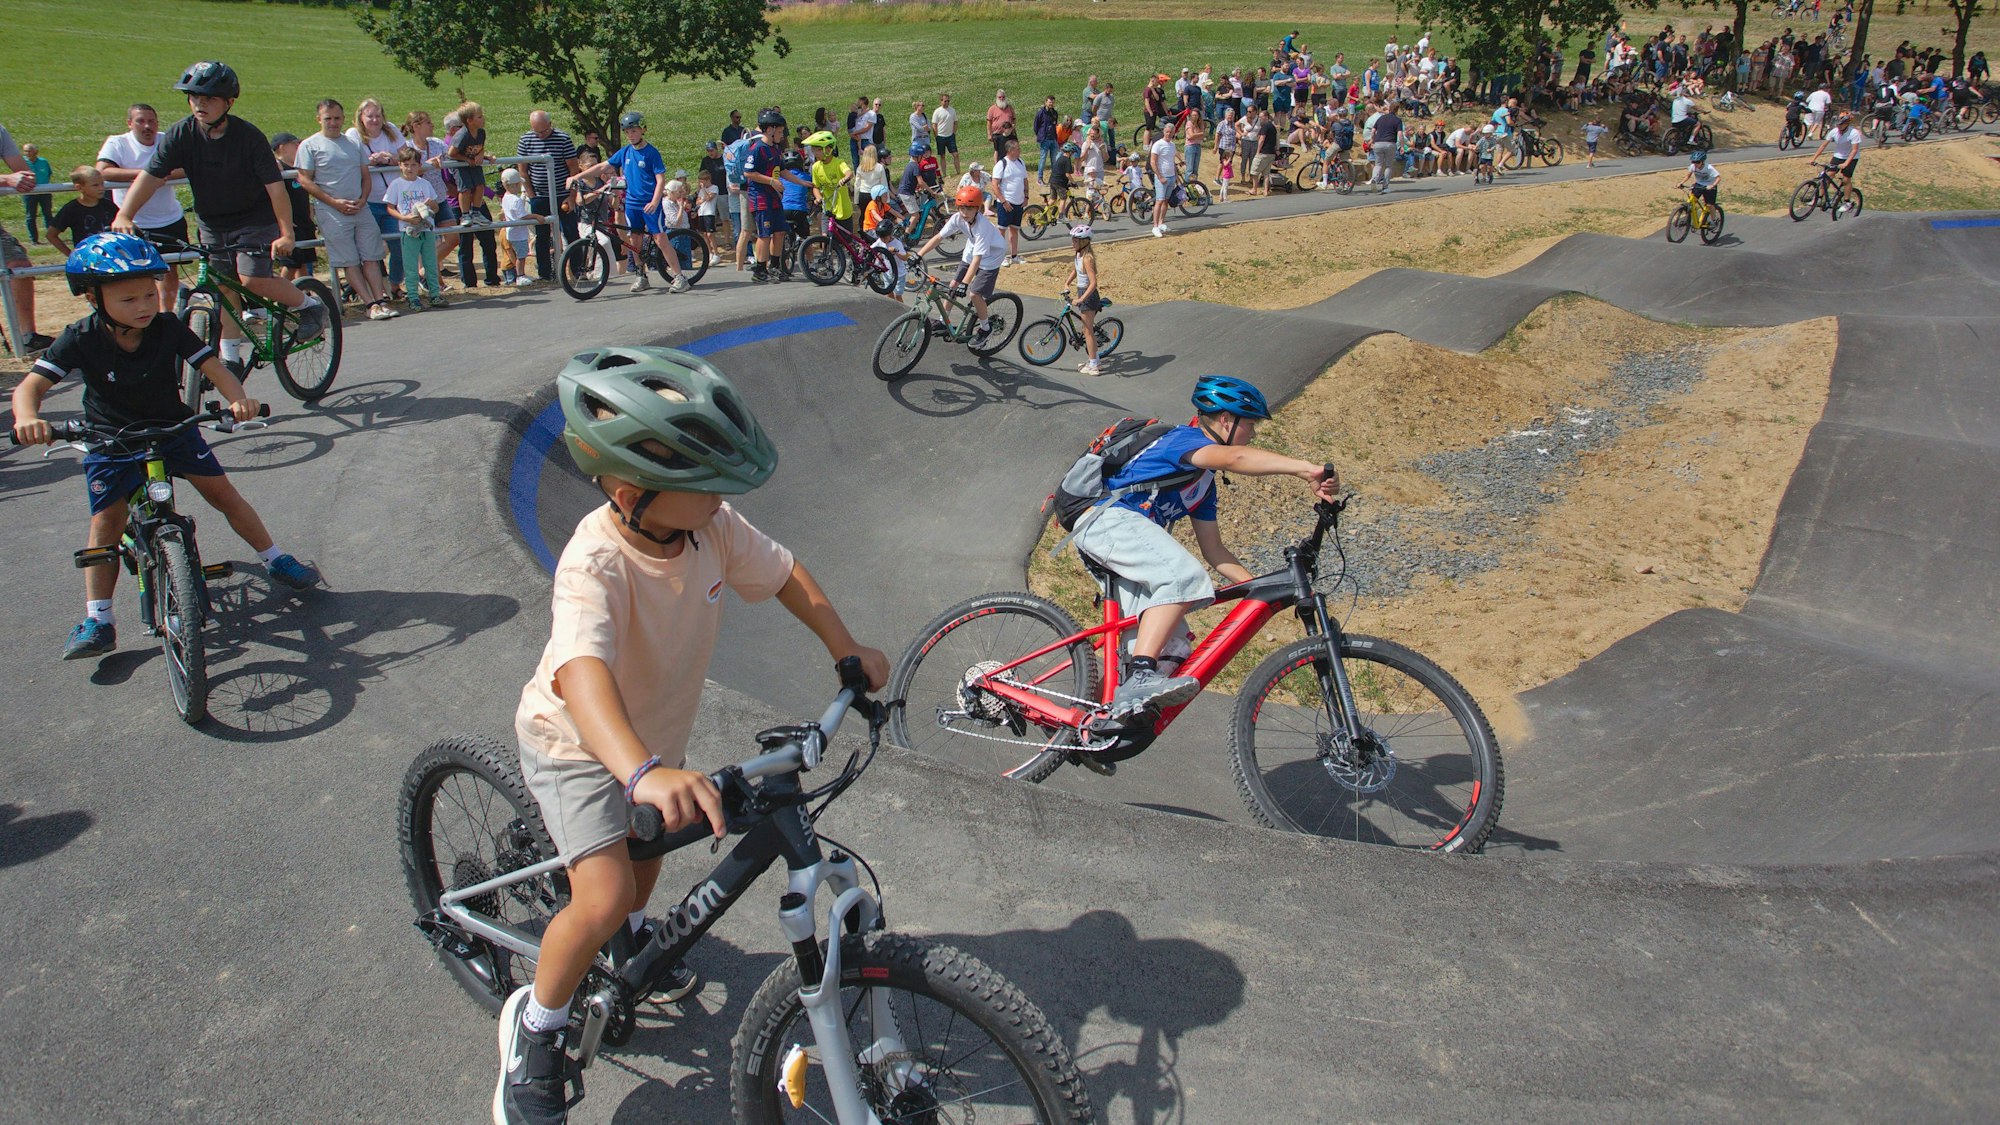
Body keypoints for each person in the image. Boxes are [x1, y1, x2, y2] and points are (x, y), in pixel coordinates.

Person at [497, 347, 887, 1125]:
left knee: (639, 881)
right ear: (632, 489)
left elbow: (784, 574)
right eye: (705, 485)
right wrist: (640, 772)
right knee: (604, 892)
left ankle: (623, 952)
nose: (721, 500)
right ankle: (534, 1033)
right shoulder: (594, 561)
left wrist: (843, 645)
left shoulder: (707, 526)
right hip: (579, 741)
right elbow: (581, 674)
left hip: (650, 745)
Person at [10, 233, 320, 661]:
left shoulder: (168, 327)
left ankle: (275, 558)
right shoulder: (79, 336)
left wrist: (237, 398)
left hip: (173, 429)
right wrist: (28, 418)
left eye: (148, 295)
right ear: (93, 298)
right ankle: (98, 619)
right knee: (107, 523)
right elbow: (31, 388)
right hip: (111, 439)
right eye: (127, 300)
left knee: (223, 495)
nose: (142, 307)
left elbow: (212, 366)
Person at [1067, 376, 1339, 719]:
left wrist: (1263, 588)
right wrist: (1304, 469)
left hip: (1124, 538)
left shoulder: (1203, 485)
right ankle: (1139, 676)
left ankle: (1090, 723)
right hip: (1104, 520)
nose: (1253, 433)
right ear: (1226, 420)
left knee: (1172, 647)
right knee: (1182, 577)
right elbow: (1236, 456)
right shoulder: (1182, 440)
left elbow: (1215, 551)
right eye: (1250, 424)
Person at [111, 62, 329, 370]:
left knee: (252, 279)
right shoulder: (180, 134)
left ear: (229, 102)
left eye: (209, 97)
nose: (200, 103)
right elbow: (150, 176)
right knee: (222, 287)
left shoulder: (248, 137)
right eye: (194, 97)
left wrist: (287, 233)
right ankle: (230, 357)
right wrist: (125, 213)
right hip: (213, 222)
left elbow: (275, 188)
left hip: (255, 219)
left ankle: (310, 306)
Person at [295, 98, 397, 322]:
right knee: (349, 259)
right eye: (328, 118)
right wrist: (333, 202)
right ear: (319, 119)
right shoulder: (309, 146)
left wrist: (362, 199)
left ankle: (380, 301)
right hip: (331, 211)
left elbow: (365, 174)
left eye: (337, 118)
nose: (333, 123)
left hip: (360, 207)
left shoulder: (353, 143)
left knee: (371, 255)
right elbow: (305, 179)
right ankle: (369, 303)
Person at [571, 111, 689, 294]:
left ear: (642, 130)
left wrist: (655, 200)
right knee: (635, 240)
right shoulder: (625, 152)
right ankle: (641, 276)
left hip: (649, 203)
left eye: (634, 131)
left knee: (659, 238)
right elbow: (603, 166)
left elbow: (660, 179)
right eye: (628, 132)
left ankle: (680, 277)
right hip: (633, 203)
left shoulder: (651, 153)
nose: (631, 135)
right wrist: (578, 176)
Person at [97, 104, 188, 311]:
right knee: (136, 273)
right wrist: (148, 174)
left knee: (169, 270)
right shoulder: (117, 143)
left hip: (168, 218)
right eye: (141, 121)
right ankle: (142, 313)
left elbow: (187, 167)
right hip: (133, 223)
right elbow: (103, 171)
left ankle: (166, 314)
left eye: (152, 121)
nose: (147, 126)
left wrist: (163, 174)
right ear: (130, 123)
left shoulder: (167, 140)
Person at [910, 185, 1007, 348]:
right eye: (961, 207)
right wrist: (918, 255)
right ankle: (944, 322)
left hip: (991, 257)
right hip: (972, 249)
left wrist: (966, 283)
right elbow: (938, 237)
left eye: (969, 208)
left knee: (974, 294)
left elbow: (978, 260)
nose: (964, 212)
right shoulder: (957, 218)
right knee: (952, 286)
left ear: (978, 208)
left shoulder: (983, 227)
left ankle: (985, 328)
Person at [350, 98, 408, 298]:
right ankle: (373, 290)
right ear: (361, 118)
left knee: (399, 244)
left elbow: (406, 155)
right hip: (368, 199)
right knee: (370, 249)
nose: (374, 120)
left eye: (378, 115)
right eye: (370, 116)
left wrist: (391, 159)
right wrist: (369, 161)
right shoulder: (353, 135)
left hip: (391, 199)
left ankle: (393, 285)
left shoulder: (390, 130)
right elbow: (349, 161)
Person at [518, 111, 581, 283]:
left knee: (571, 232)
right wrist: (531, 195)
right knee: (542, 235)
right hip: (539, 195)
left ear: (550, 124)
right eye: (537, 132)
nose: (540, 135)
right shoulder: (526, 140)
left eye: (544, 131)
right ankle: (545, 274)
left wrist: (571, 195)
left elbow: (573, 169)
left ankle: (578, 271)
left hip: (562, 194)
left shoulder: (563, 139)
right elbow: (522, 170)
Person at [383, 146, 446, 311]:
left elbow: (435, 206)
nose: (410, 168)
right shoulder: (396, 185)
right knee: (410, 265)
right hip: (408, 230)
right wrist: (404, 218)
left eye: (413, 165)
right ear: (400, 165)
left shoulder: (424, 184)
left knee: (431, 263)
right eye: (406, 164)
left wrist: (431, 206)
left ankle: (435, 294)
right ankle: (413, 297)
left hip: (426, 229)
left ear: (419, 166)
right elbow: (390, 207)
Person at [739, 109, 791, 284]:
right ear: (770, 130)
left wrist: (804, 183)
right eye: (780, 131)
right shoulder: (757, 149)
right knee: (764, 234)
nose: (782, 135)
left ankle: (775, 266)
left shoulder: (775, 150)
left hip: (774, 197)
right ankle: (760, 269)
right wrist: (771, 181)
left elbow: (783, 170)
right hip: (760, 197)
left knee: (780, 231)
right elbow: (748, 173)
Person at [268, 132, 318, 282]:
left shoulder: (299, 169)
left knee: (304, 262)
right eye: (295, 144)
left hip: (304, 222)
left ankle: (305, 293)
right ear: (282, 148)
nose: (299, 147)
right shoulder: (278, 168)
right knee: (291, 264)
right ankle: (282, 298)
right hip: (291, 224)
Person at [46, 167, 119, 256]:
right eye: (95, 185)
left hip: (112, 256)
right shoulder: (71, 209)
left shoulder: (109, 205)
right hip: (87, 258)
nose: (101, 188)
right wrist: (71, 255)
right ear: (80, 187)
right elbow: (51, 235)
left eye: (102, 184)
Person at [1809, 112, 1863, 214]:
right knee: (1828, 176)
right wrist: (1814, 158)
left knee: (1846, 179)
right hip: (1838, 156)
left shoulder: (1853, 133)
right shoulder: (1834, 131)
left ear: (1847, 124)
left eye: (1841, 124)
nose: (1838, 126)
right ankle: (1819, 198)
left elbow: (1854, 150)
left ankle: (1847, 202)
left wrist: (1846, 163)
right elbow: (1823, 146)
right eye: (1838, 124)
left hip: (1851, 157)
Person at [1069, 223, 1105, 376]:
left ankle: (1093, 366)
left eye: (1076, 241)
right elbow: (1075, 270)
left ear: (1084, 242)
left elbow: (1093, 282)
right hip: (1082, 292)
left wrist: (1081, 298)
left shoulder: (1087, 259)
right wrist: (1067, 282)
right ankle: (1095, 359)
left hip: (1088, 295)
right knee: (1087, 329)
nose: (1073, 243)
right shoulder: (1078, 255)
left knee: (1087, 331)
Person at [805, 131, 855, 233]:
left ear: (827, 149)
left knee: (845, 241)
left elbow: (849, 173)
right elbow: (815, 186)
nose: (815, 154)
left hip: (842, 210)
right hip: (827, 209)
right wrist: (818, 197)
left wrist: (845, 179)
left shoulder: (838, 163)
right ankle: (826, 249)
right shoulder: (816, 167)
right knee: (825, 238)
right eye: (813, 151)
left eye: (817, 150)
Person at [991, 137, 1029, 264]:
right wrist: (1003, 201)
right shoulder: (1001, 164)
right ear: (1010, 150)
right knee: (1002, 230)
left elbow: (1025, 180)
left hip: (1018, 202)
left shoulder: (1021, 162)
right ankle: (1000, 256)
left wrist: (1026, 196)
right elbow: (995, 185)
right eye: (1017, 149)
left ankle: (1014, 256)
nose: (1020, 151)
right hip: (1006, 202)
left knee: (1014, 229)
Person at [498, 167, 536, 287]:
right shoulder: (516, 200)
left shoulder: (505, 197)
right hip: (519, 233)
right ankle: (520, 276)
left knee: (517, 254)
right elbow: (523, 216)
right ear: (515, 184)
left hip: (511, 231)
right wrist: (537, 216)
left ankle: (520, 275)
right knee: (521, 256)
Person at [18, 142, 54, 244]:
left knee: (48, 214)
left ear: (36, 152)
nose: (27, 153)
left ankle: (51, 236)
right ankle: (34, 239)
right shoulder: (22, 163)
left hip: (45, 191)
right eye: (25, 151)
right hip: (29, 192)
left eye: (30, 151)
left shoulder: (43, 162)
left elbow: (48, 174)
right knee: (30, 216)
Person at [1147, 127, 1178, 238]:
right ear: (1164, 132)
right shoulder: (1158, 144)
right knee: (1159, 201)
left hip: (1171, 176)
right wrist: (1159, 176)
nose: (1168, 134)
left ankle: (1161, 222)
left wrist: (1175, 176)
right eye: (1167, 132)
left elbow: (1172, 161)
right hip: (1162, 177)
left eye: (1171, 132)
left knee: (1166, 200)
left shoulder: (1172, 145)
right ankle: (1155, 226)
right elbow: (1153, 161)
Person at [1369, 102, 1401, 193]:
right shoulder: (1397, 120)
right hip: (1390, 143)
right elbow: (1400, 134)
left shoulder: (1380, 118)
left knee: (1378, 164)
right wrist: (1401, 145)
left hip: (1378, 143)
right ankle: (1385, 187)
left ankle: (1374, 179)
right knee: (1388, 165)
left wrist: (1372, 140)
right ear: (1397, 110)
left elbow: (1373, 131)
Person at [1678, 148, 1721, 216]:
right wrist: (1681, 183)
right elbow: (1688, 176)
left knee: (1709, 205)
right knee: (1691, 202)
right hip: (1699, 185)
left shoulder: (1709, 168)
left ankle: (1714, 220)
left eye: (1698, 162)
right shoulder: (1693, 167)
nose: (1695, 164)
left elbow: (1718, 178)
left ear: (1702, 162)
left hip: (1709, 186)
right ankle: (1687, 218)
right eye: (1693, 162)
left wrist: (1712, 185)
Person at [931, 92, 960, 176]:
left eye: (948, 101)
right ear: (941, 101)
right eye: (945, 101)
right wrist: (936, 135)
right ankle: (944, 174)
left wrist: (953, 132)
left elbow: (955, 122)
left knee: (955, 154)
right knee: (942, 156)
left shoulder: (952, 110)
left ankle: (958, 172)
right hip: (941, 136)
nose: (946, 102)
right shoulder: (937, 111)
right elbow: (934, 124)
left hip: (950, 136)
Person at [1033, 95, 1061, 182]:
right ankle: (1040, 178)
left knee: (1054, 159)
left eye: (1052, 102)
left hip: (1053, 139)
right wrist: (1040, 135)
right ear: (1045, 102)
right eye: (1049, 102)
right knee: (1043, 159)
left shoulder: (1055, 113)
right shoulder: (1041, 113)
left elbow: (1055, 124)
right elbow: (1036, 125)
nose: (1051, 104)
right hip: (1045, 139)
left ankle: (1054, 177)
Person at [986, 89, 1017, 160]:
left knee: (1010, 149)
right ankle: (997, 166)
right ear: (997, 97)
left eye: (1003, 97)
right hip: (997, 134)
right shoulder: (992, 109)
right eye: (1000, 97)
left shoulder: (1010, 108)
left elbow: (1014, 119)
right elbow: (988, 122)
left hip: (1009, 134)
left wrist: (1012, 128)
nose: (1001, 99)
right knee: (997, 151)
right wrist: (989, 134)